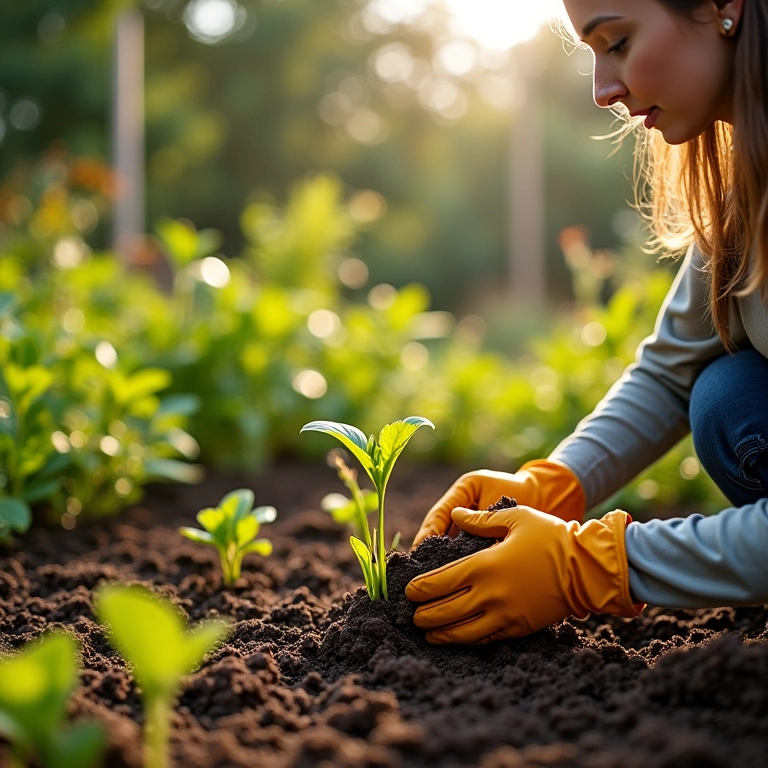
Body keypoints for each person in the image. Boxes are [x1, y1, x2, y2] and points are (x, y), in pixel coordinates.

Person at [405, 0, 768, 645]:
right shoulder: (748, 187)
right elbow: (670, 372)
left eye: (618, 42)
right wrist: (554, 482)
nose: (602, 90)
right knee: (728, 396)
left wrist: (591, 565)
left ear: (723, 8)